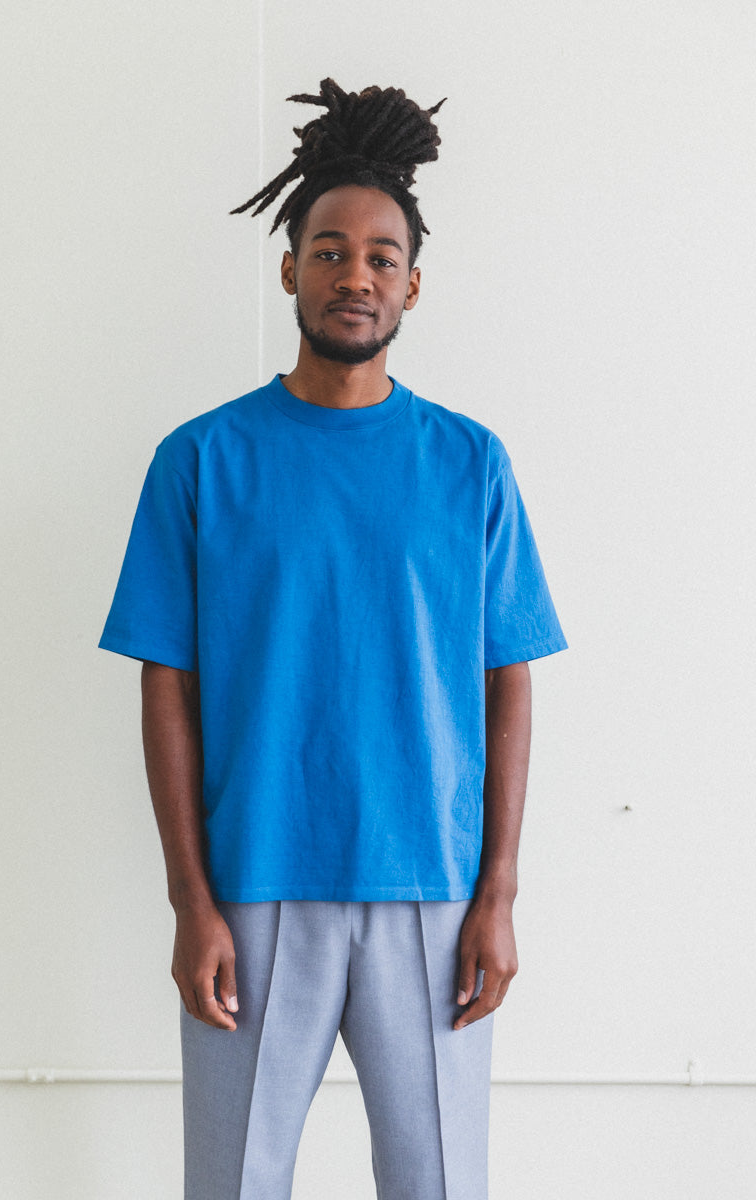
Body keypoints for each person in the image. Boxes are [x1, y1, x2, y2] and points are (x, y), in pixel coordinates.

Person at [100, 77, 567, 1200]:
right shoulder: (201, 460)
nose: (354, 275)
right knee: (233, 1183)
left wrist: (498, 895)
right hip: (252, 884)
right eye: (328, 251)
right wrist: (191, 903)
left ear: (411, 284)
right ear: (288, 269)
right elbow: (166, 686)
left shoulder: (470, 463)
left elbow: (508, 678)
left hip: (432, 889)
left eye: (379, 257)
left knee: (437, 1183)